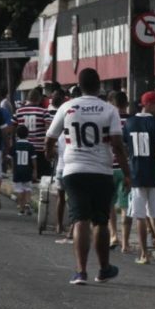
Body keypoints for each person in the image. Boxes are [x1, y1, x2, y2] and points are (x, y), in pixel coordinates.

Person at [45, 68, 130, 285]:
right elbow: (118, 146)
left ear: (79, 85)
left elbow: (50, 137)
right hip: (101, 170)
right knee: (100, 221)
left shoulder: (67, 106)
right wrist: (128, 174)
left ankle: (80, 271)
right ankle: (103, 269)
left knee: (80, 219)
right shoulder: (109, 109)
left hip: (74, 170)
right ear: (99, 85)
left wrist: (49, 155)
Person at [124, 91, 155, 265]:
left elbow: (125, 147)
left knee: (140, 216)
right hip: (153, 173)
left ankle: (144, 253)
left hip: (136, 173)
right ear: (148, 105)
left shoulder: (129, 122)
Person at [107, 91, 132, 251]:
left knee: (109, 205)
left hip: (109, 167)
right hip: (127, 168)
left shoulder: (108, 121)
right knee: (126, 206)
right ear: (127, 104)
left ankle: (113, 235)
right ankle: (126, 243)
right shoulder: (132, 121)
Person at [13, 88, 52, 178]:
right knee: (43, 176)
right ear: (39, 99)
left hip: (24, 148)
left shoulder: (19, 111)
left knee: (26, 177)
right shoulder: (44, 111)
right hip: (40, 149)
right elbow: (49, 129)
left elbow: (12, 128)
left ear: (28, 98)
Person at [8, 125, 37, 216]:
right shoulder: (30, 146)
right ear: (27, 134)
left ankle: (21, 208)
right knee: (27, 188)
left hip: (17, 171)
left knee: (19, 190)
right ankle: (28, 204)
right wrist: (35, 170)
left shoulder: (15, 146)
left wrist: (12, 168)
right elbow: (34, 160)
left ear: (17, 134)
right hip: (27, 170)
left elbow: (10, 158)